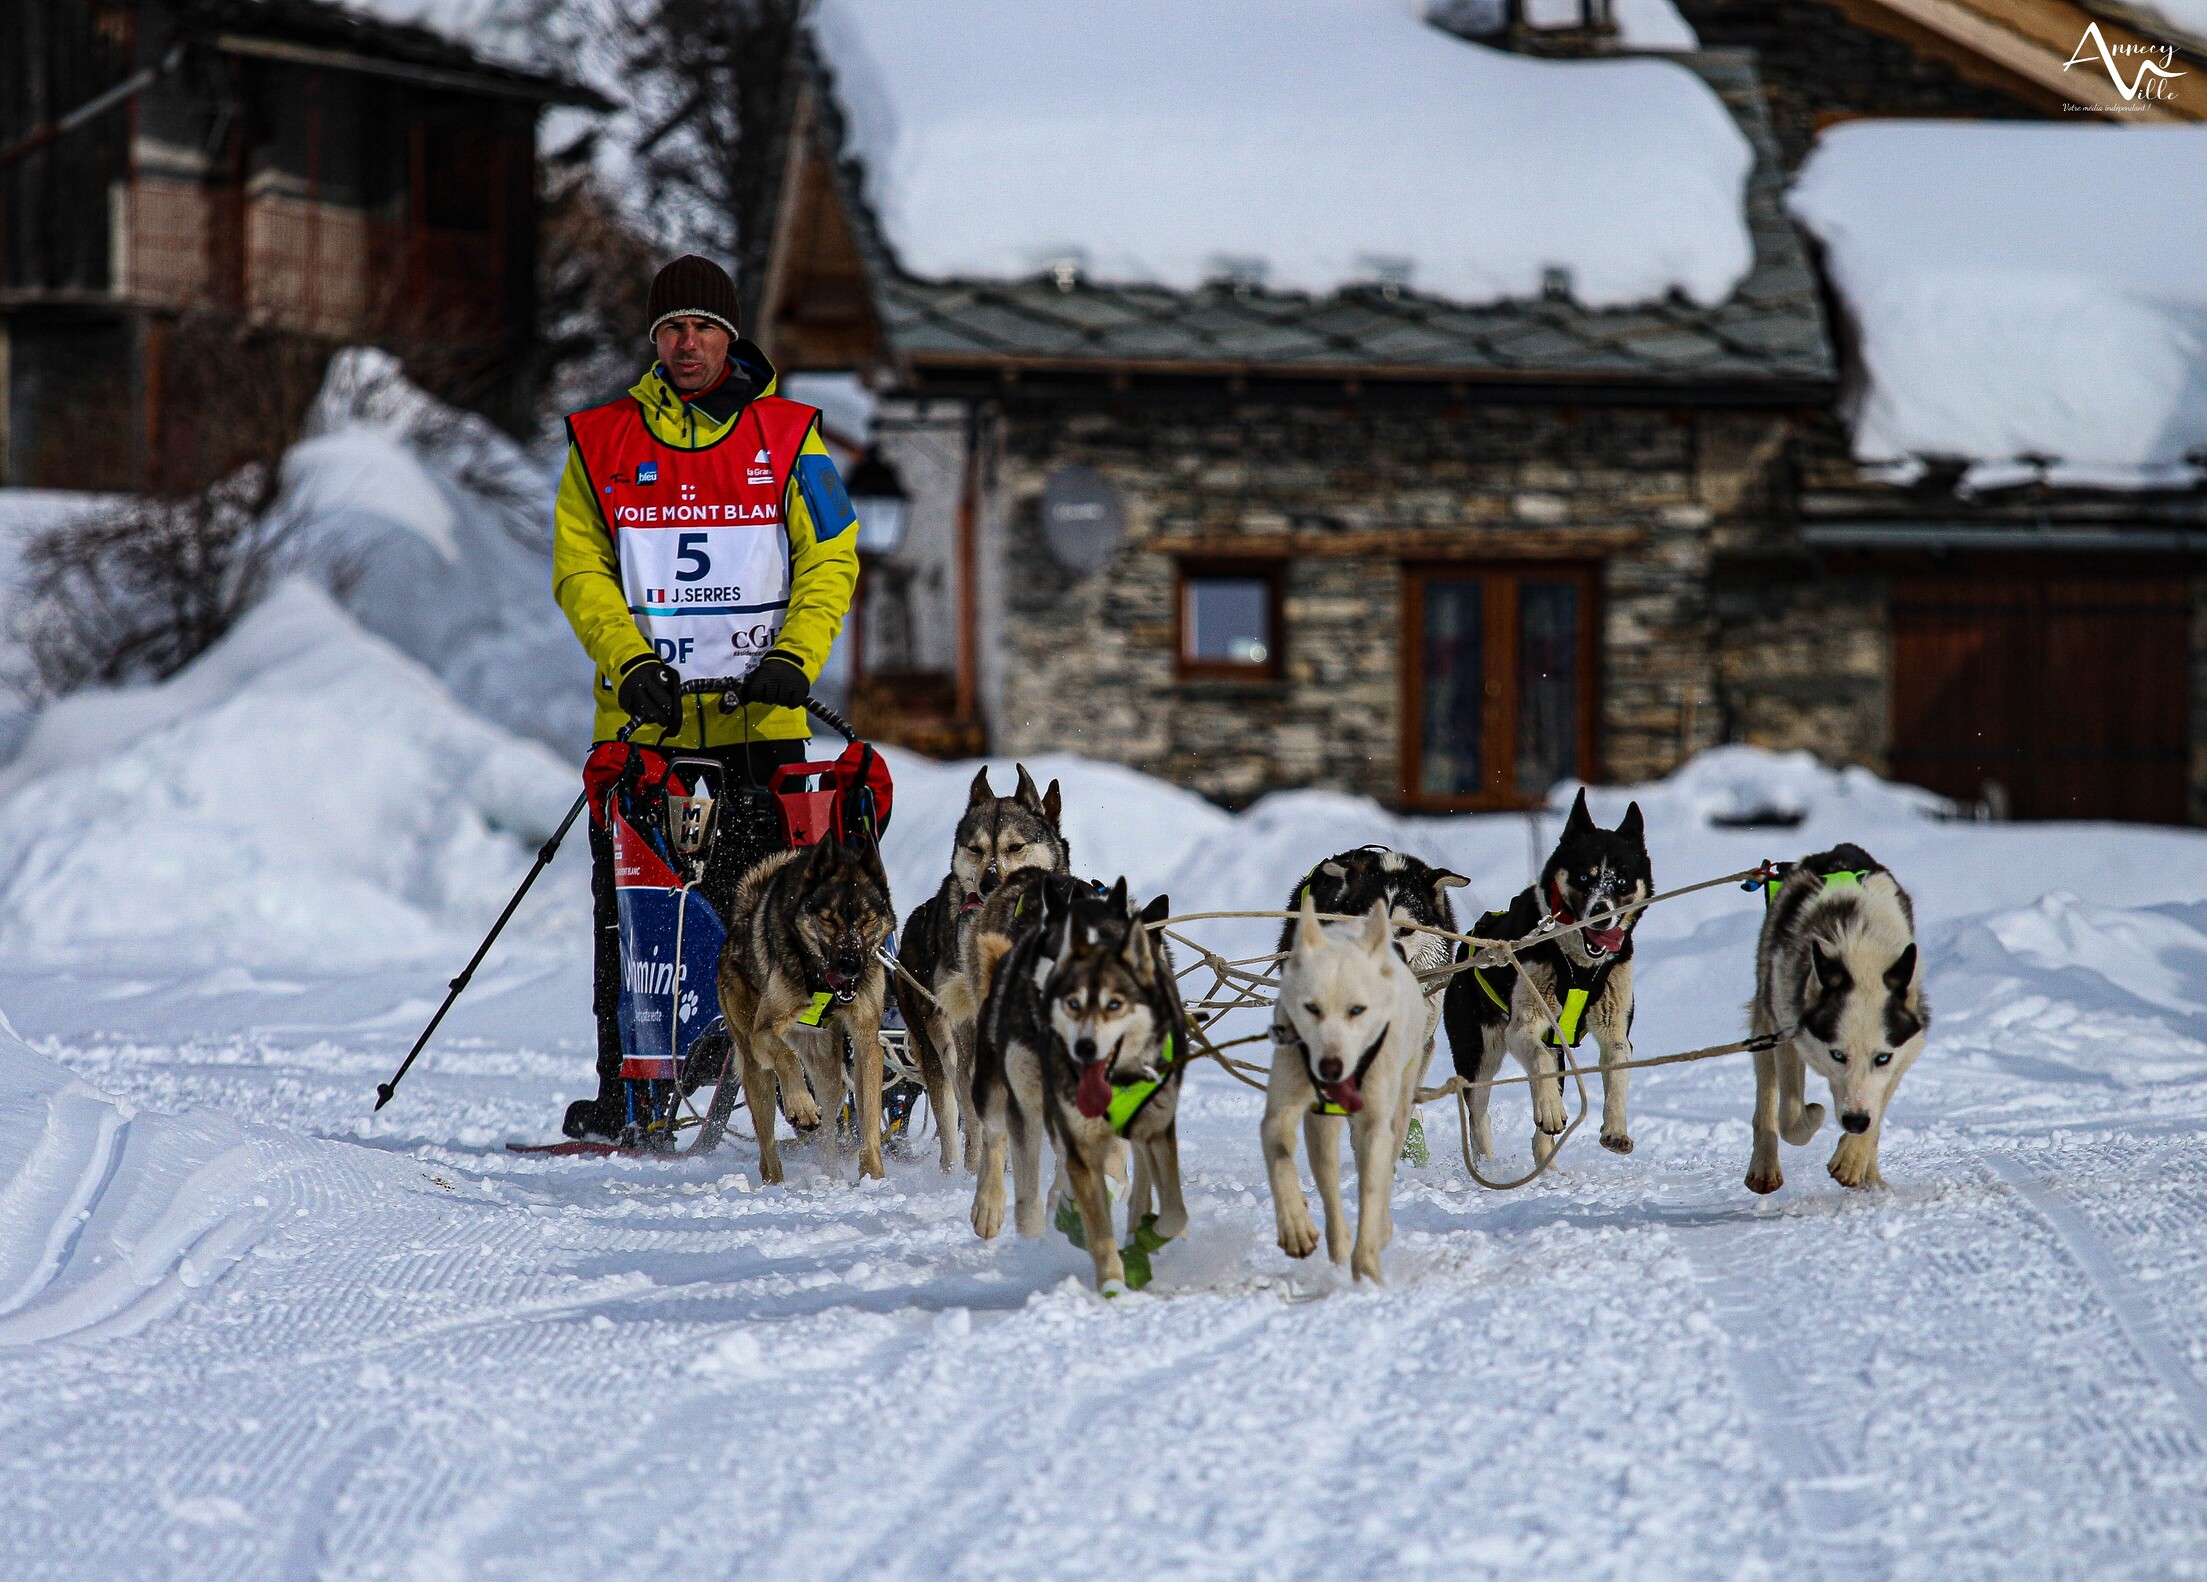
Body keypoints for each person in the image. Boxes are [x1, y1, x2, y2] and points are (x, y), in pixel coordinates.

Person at [552, 254, 859, 1141]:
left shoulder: (791, 436)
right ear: (655, 341)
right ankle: (628, 1089)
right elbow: (580, 570)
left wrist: (795, 658)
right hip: (643, 723)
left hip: (758, 720)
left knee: (769, 910)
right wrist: (628, 659)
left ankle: (791, 1075)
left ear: (732, 337)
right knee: (631, 919)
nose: (687, 344)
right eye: (670, 330)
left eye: (702, 328)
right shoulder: (600, 440)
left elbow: (831, 553)